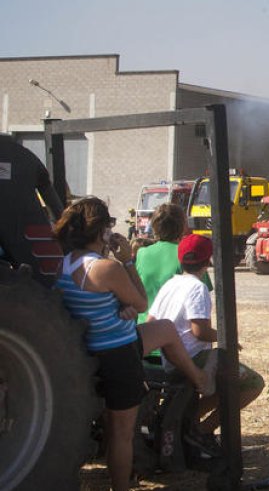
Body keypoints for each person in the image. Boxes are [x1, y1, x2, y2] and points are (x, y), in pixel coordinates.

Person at [52, 197, 214, 491]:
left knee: (165, 328)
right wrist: (126, 260)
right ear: (102, 231)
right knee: (121, 434)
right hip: (117, 352)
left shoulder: (62, 264)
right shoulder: (105, 269)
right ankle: (121, 486)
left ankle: (197, 377)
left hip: (89, 348)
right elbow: (140, 302)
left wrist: (117, 305)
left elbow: (89, 304)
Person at [148, 234, 265, 445]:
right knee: (253, 384)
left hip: (171, 360)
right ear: (208, 260)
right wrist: (226, 338)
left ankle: (186, 422)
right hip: (193, 358)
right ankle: (200, 431)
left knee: (226, 387)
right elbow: (199, 331)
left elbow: (151, 321)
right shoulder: (197, 288)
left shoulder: (170, 284)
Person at [135, 202, 189, 324]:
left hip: (145, 328)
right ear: (182, 225)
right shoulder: (186, 254)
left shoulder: (142, 254)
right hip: (175, 330)